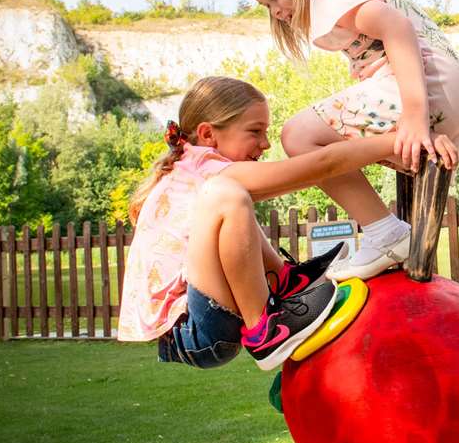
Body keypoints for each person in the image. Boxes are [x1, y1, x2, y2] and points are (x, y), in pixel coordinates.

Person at [117, 76, 398, 370]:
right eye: (255, 131)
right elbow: (320, 165)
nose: (265, 144)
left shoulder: (191, 168)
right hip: (193, 328)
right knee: (226, 195)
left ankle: (286, 280)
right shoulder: (206, 169)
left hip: (198, 321)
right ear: (208, 134)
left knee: (233, 195)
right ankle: (264, 330)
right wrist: (394, 142)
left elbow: (306, 175)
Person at [241, 0, 459, 282]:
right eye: (266, 5)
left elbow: (398, 28)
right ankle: (386, 229)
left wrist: (414, 115)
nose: (276, 11)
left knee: (299, 135)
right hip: (440, 94)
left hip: (421, 90)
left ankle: (385, 233)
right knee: (320, 134)